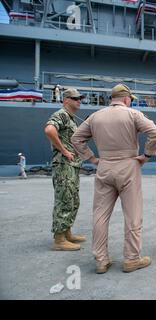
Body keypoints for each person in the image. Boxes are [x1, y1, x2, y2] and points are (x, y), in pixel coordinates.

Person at [71, 84, 156, 274]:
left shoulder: (95, 116)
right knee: (133, 215)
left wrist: (92, 158)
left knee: (100, 215)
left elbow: (76, 138)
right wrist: (147, 155)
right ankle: (131, 259)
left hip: (104, 166)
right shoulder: (133, 114)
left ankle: (101, 260)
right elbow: (155, 133)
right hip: (129, 166)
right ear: (127, 99)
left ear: (112, 98)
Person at [44, 88, 85, 251]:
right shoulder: (61, 114)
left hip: (72, 166)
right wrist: (64, 151)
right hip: (63, 165)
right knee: (64, 199)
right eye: (75, 98)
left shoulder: (71, 118)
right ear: (66, 100)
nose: (79, 101)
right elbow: (49, 130)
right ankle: (59, 239)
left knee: (73, 199)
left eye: (80, 98)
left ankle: (67, 232)